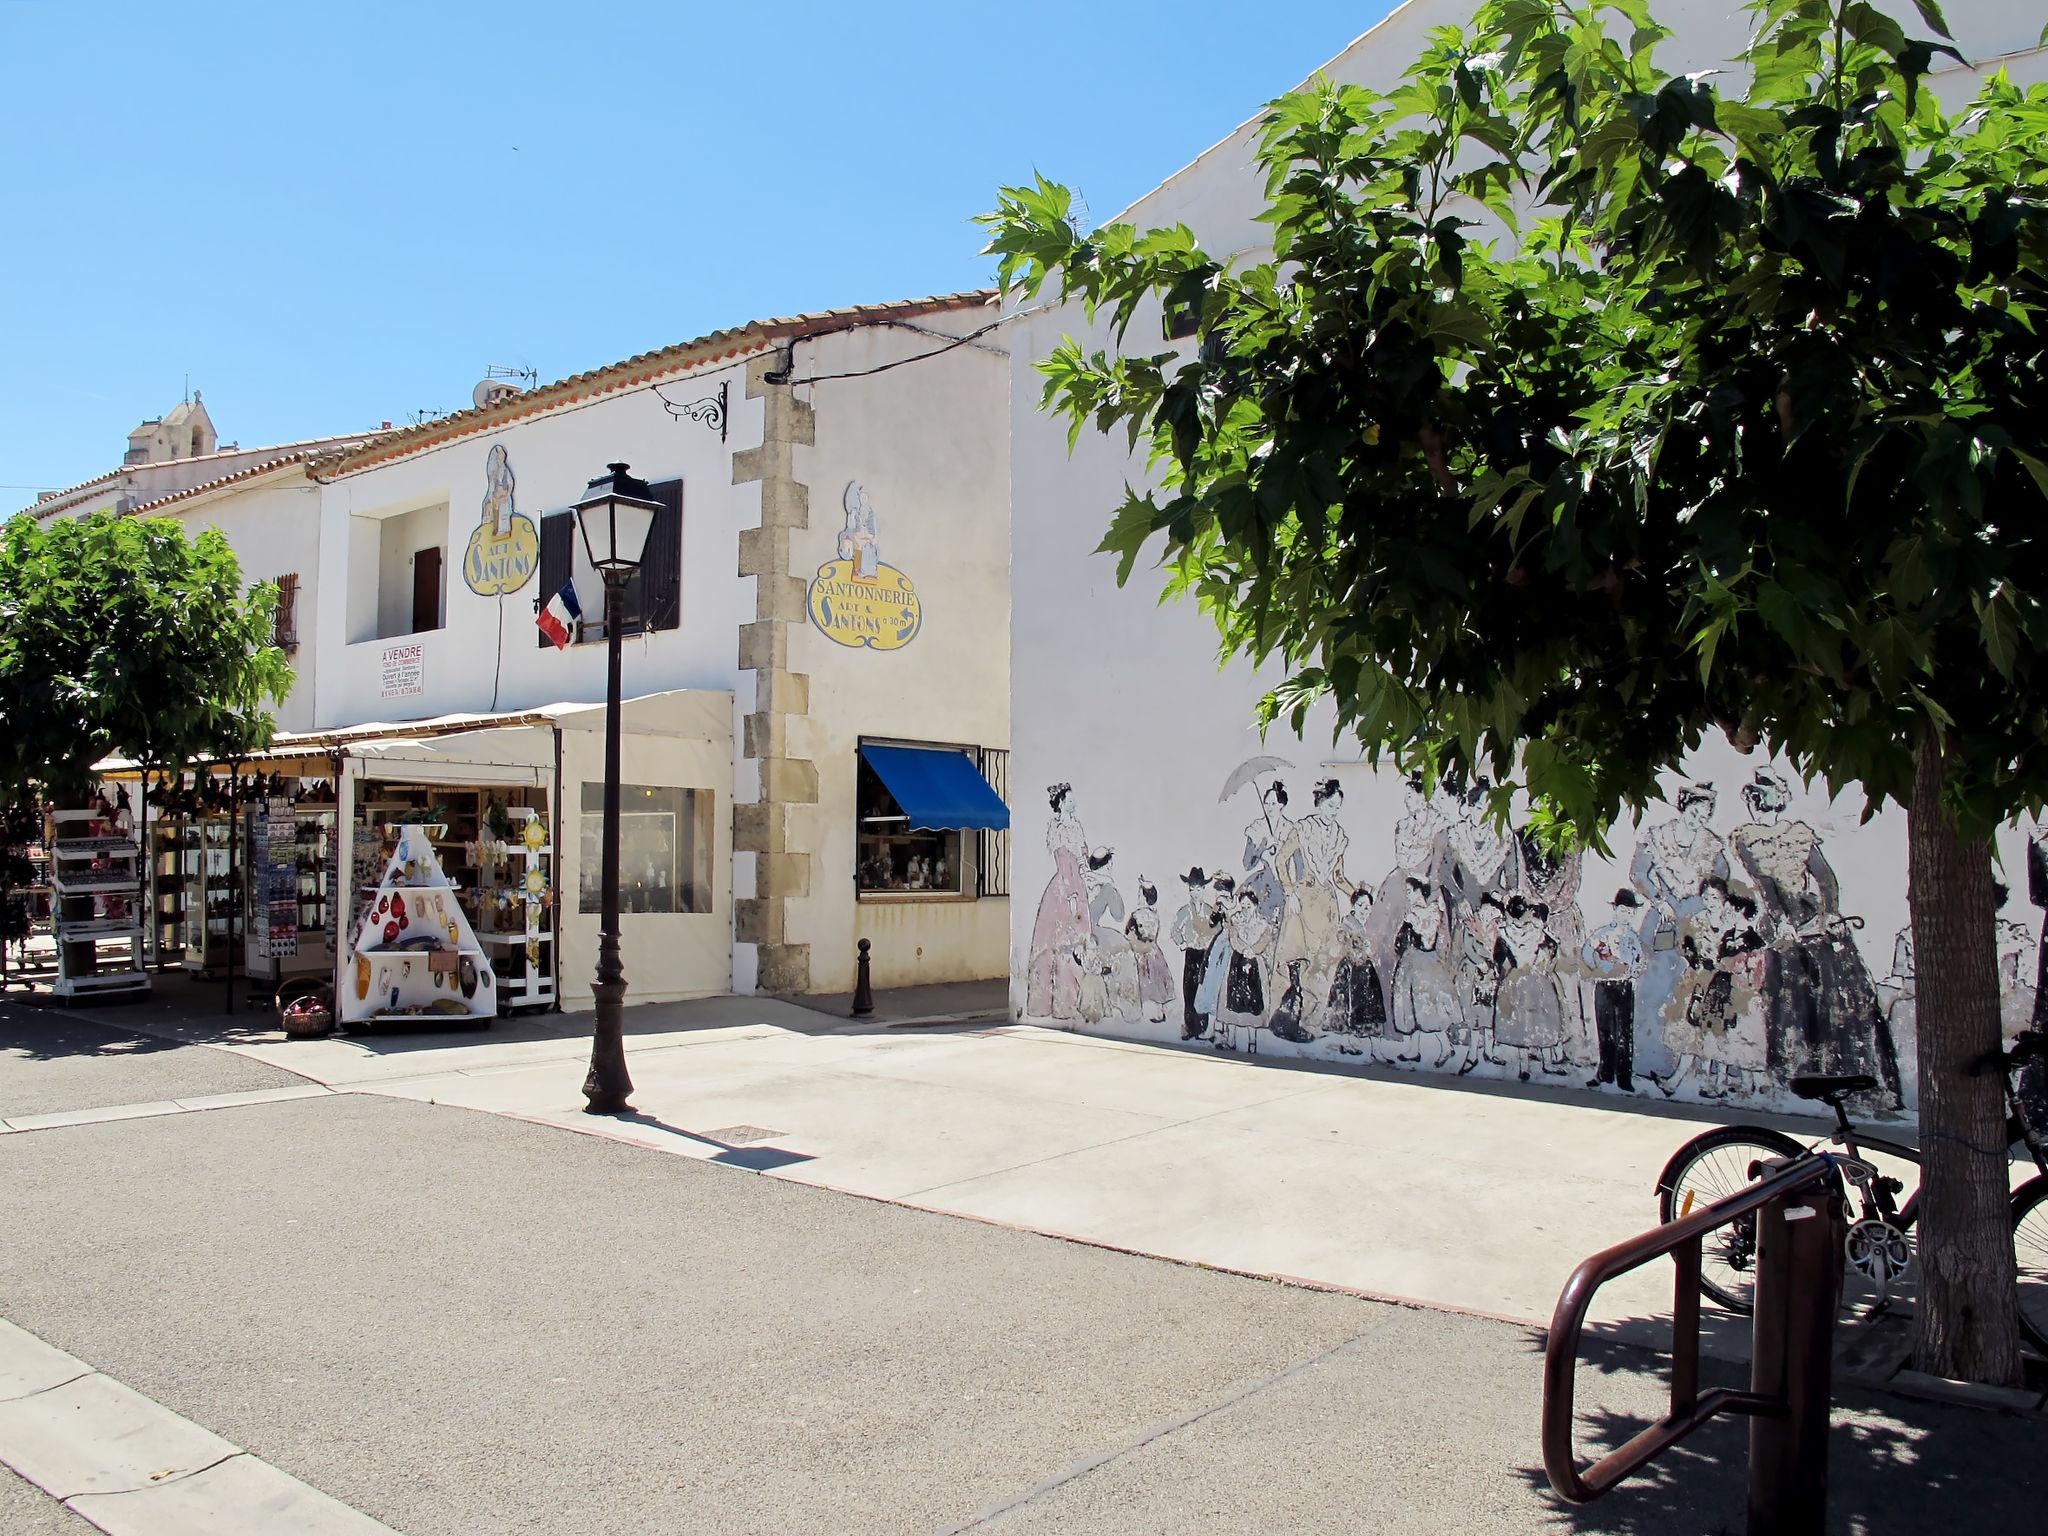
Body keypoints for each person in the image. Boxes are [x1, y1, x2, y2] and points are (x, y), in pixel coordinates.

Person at [1728, 767, 1901, 1103]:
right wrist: (1780, 920)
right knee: (1792, 1001)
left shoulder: (1799, 836)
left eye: (1768, 793)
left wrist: (1830, 912)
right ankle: (1796, 1071)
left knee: (1839, 997)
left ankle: (1847, 1071)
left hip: (1813, 926)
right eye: (1757, 795)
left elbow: (1826, 878)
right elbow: (1765, 886)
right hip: (1785, 933)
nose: (1760, 801)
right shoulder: (1748, 838)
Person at [1630, 782, 1730, 1087]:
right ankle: (1650, 1062)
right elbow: (1638, 873)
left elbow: (1720, 880)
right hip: (1661, 922)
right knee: (1653, 991)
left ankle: (1695, 1067)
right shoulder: (1657, 837)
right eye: (1696, 811)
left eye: (1706, 814)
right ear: (1684, 806)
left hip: (1696, 929)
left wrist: (1695, 907)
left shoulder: (1712, 846)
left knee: (1691, 995)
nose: (1699, 818)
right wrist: (1661, 901)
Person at [1025, 784, 1091, 1022]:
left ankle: (1070, 1004)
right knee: (1060, 944)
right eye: (1070, 800)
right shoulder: (1059, 828)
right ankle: (1057, 1005)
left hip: (1076, 885)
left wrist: (1088, 877)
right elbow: (1064, 864)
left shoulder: (1076, 826)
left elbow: (1082, 860)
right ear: (1061, 803)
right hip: (1065, 888)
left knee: (1073, 945)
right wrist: (1072, 894)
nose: (1074, 804)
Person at [1389, 878, 1460, 1066]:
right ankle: (1415, 1050)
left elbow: (1420, 941)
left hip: (1421, 963)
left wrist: (1408, 928)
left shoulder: (1427, 913)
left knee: (1426, 1009)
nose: (1408, 895)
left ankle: (1445, 1047)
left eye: (1410, 891)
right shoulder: (1423, 913)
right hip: (1414, 963)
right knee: (1412, 1008)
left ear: (1420, 890)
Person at [1581, 889, 1645, 1092]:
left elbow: (1640, 961)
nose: (1626, 915)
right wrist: (1599, 968)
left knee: (1624, 1033)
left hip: (1624, 986)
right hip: (1605, 986)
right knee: (1605, 1031)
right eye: (1623, 910)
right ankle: (1605, 1072)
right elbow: (1587, 952)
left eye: (1630, 912)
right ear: (1615, 911)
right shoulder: (1603, 933)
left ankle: (1624, 1077)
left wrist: (1632, 971)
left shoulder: (1633, 937)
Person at [1325, 888, 1389, 1055]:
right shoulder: (1347, 923)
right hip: (1351, 970)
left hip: (1366, 970)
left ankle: (1368, 1046)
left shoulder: (1369, 925)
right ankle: (1348, 1043)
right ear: (1353, 906)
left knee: (1367, 1006)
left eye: (1367, 907)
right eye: (1360, 905)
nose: (1364, 910)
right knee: (1348, 1006)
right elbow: (1342, 938)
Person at [1215, 890, 1275, 1053]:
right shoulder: (1236, 920)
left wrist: (1253, 951)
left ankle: (1252, 1042)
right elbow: (1233, 938)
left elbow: (1265, 940)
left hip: (1255, 963)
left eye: (1248, 906)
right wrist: (1243, 950)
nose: (1245, 909)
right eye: (1243, 906)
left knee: (1254, 1003)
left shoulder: (1263, 924)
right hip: (1237, 962)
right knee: (1232, 1001)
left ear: (1255, 906)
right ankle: (1231, 1039)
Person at [1169, 866, 1223, 1040]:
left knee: (1205, 990)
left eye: (1198, 889)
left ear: (1203, 889)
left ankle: (1204, 1027)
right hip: (1192, 953)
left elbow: (1218, 929)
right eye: (1191, 889)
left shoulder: (1209, 911)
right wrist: (1183, 943)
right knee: (1189, 990)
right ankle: (1191, 1026)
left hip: (1206, 954)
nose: (1194, 893)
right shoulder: (1185, 911)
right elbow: (1175, 930)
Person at [1126, 878, 1175, 1025]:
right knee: (1157, 982)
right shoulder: (1155, 915)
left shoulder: (1136, 915)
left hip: (1142, 952)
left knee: (1147, 981)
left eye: (1140, 894)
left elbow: (1129, 933)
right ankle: (1158, 1012)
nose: (1138, 897)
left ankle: (1147, 1013)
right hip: (1154, 951)